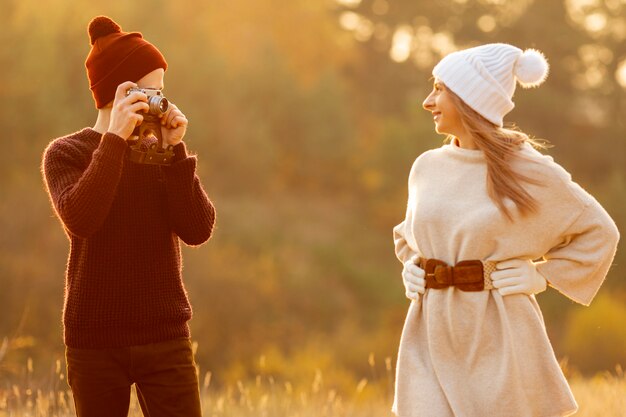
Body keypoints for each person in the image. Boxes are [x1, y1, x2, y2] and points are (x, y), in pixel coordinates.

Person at [392, 43, 620, 417]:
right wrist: (413, 267)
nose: (427, 101)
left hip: (498, 336)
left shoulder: (529, 170)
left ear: (468, 99)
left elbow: (599, 231)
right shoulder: (425, 167)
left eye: (439, 89)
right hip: (428, 332)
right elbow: (409, 234)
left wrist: (541, 276)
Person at [41, 16, 215, 417]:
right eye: (149, 91)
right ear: (116, 92)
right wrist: (115, 141)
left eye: (162, 92)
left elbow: (198, 229)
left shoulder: (162, 155)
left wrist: (176, 153)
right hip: (94, 341)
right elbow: (81, 218)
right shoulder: (66, 154)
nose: (160, 102)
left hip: (165, 334)